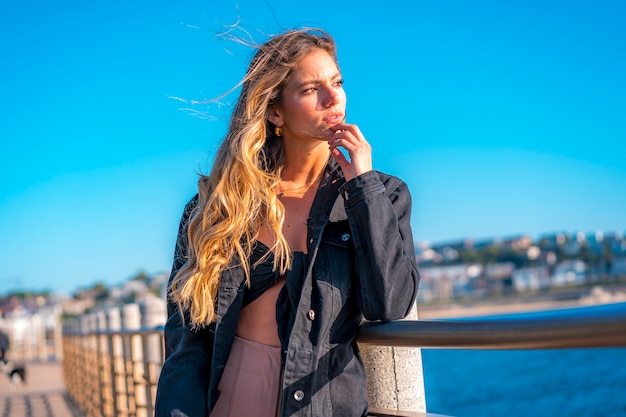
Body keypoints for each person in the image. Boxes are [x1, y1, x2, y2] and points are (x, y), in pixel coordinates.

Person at [155, 28, 420, 417]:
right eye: (312, 89)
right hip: (233, 395)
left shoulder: (384, 194)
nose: (333, 98)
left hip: (322, 401)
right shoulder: (221, 204)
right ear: (275, 111)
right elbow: (186, 337)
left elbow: (391, 305)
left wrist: (362, 186)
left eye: (337, 82)